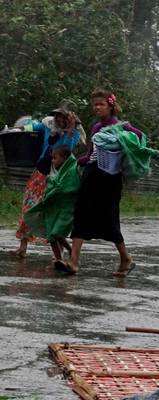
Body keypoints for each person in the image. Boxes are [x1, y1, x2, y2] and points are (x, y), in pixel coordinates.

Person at [66, 89, 143, 276]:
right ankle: (73, 262)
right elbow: (90, 154)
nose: (97, 107)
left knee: (109, 219)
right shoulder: (95, 127)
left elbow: (139, 138)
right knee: (81, 213)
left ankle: (125, 258)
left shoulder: (121, 126)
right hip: (92, 175)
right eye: (95, 104)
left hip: (110, 178)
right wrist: (75, 162)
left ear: (111, 105)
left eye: (101, 104)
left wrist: (124, 140)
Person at [12, 107, 83, 258]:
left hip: (56, 177)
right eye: (57, 116)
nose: (59, 119)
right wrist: (17, 128)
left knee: (50, 211)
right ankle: (22, 247)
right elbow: (33, 126)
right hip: (39, 173)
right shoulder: (48, 125)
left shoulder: (74, 133)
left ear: (69, 119)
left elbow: (66, 151)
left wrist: (69, 131)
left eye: (63, 117)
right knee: (28, 207)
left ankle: (60, 251)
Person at [24, 146, 80, 266]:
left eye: (55, 158)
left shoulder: (71, 170)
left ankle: (70, 250)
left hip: (65, 208)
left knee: (56, 233)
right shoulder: (59, 172)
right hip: (52, 207)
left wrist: (53, 186)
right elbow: (54, 184)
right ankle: (59, 259)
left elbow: (69, 187)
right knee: (51, 235)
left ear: (65, 158)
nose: (53, 161)